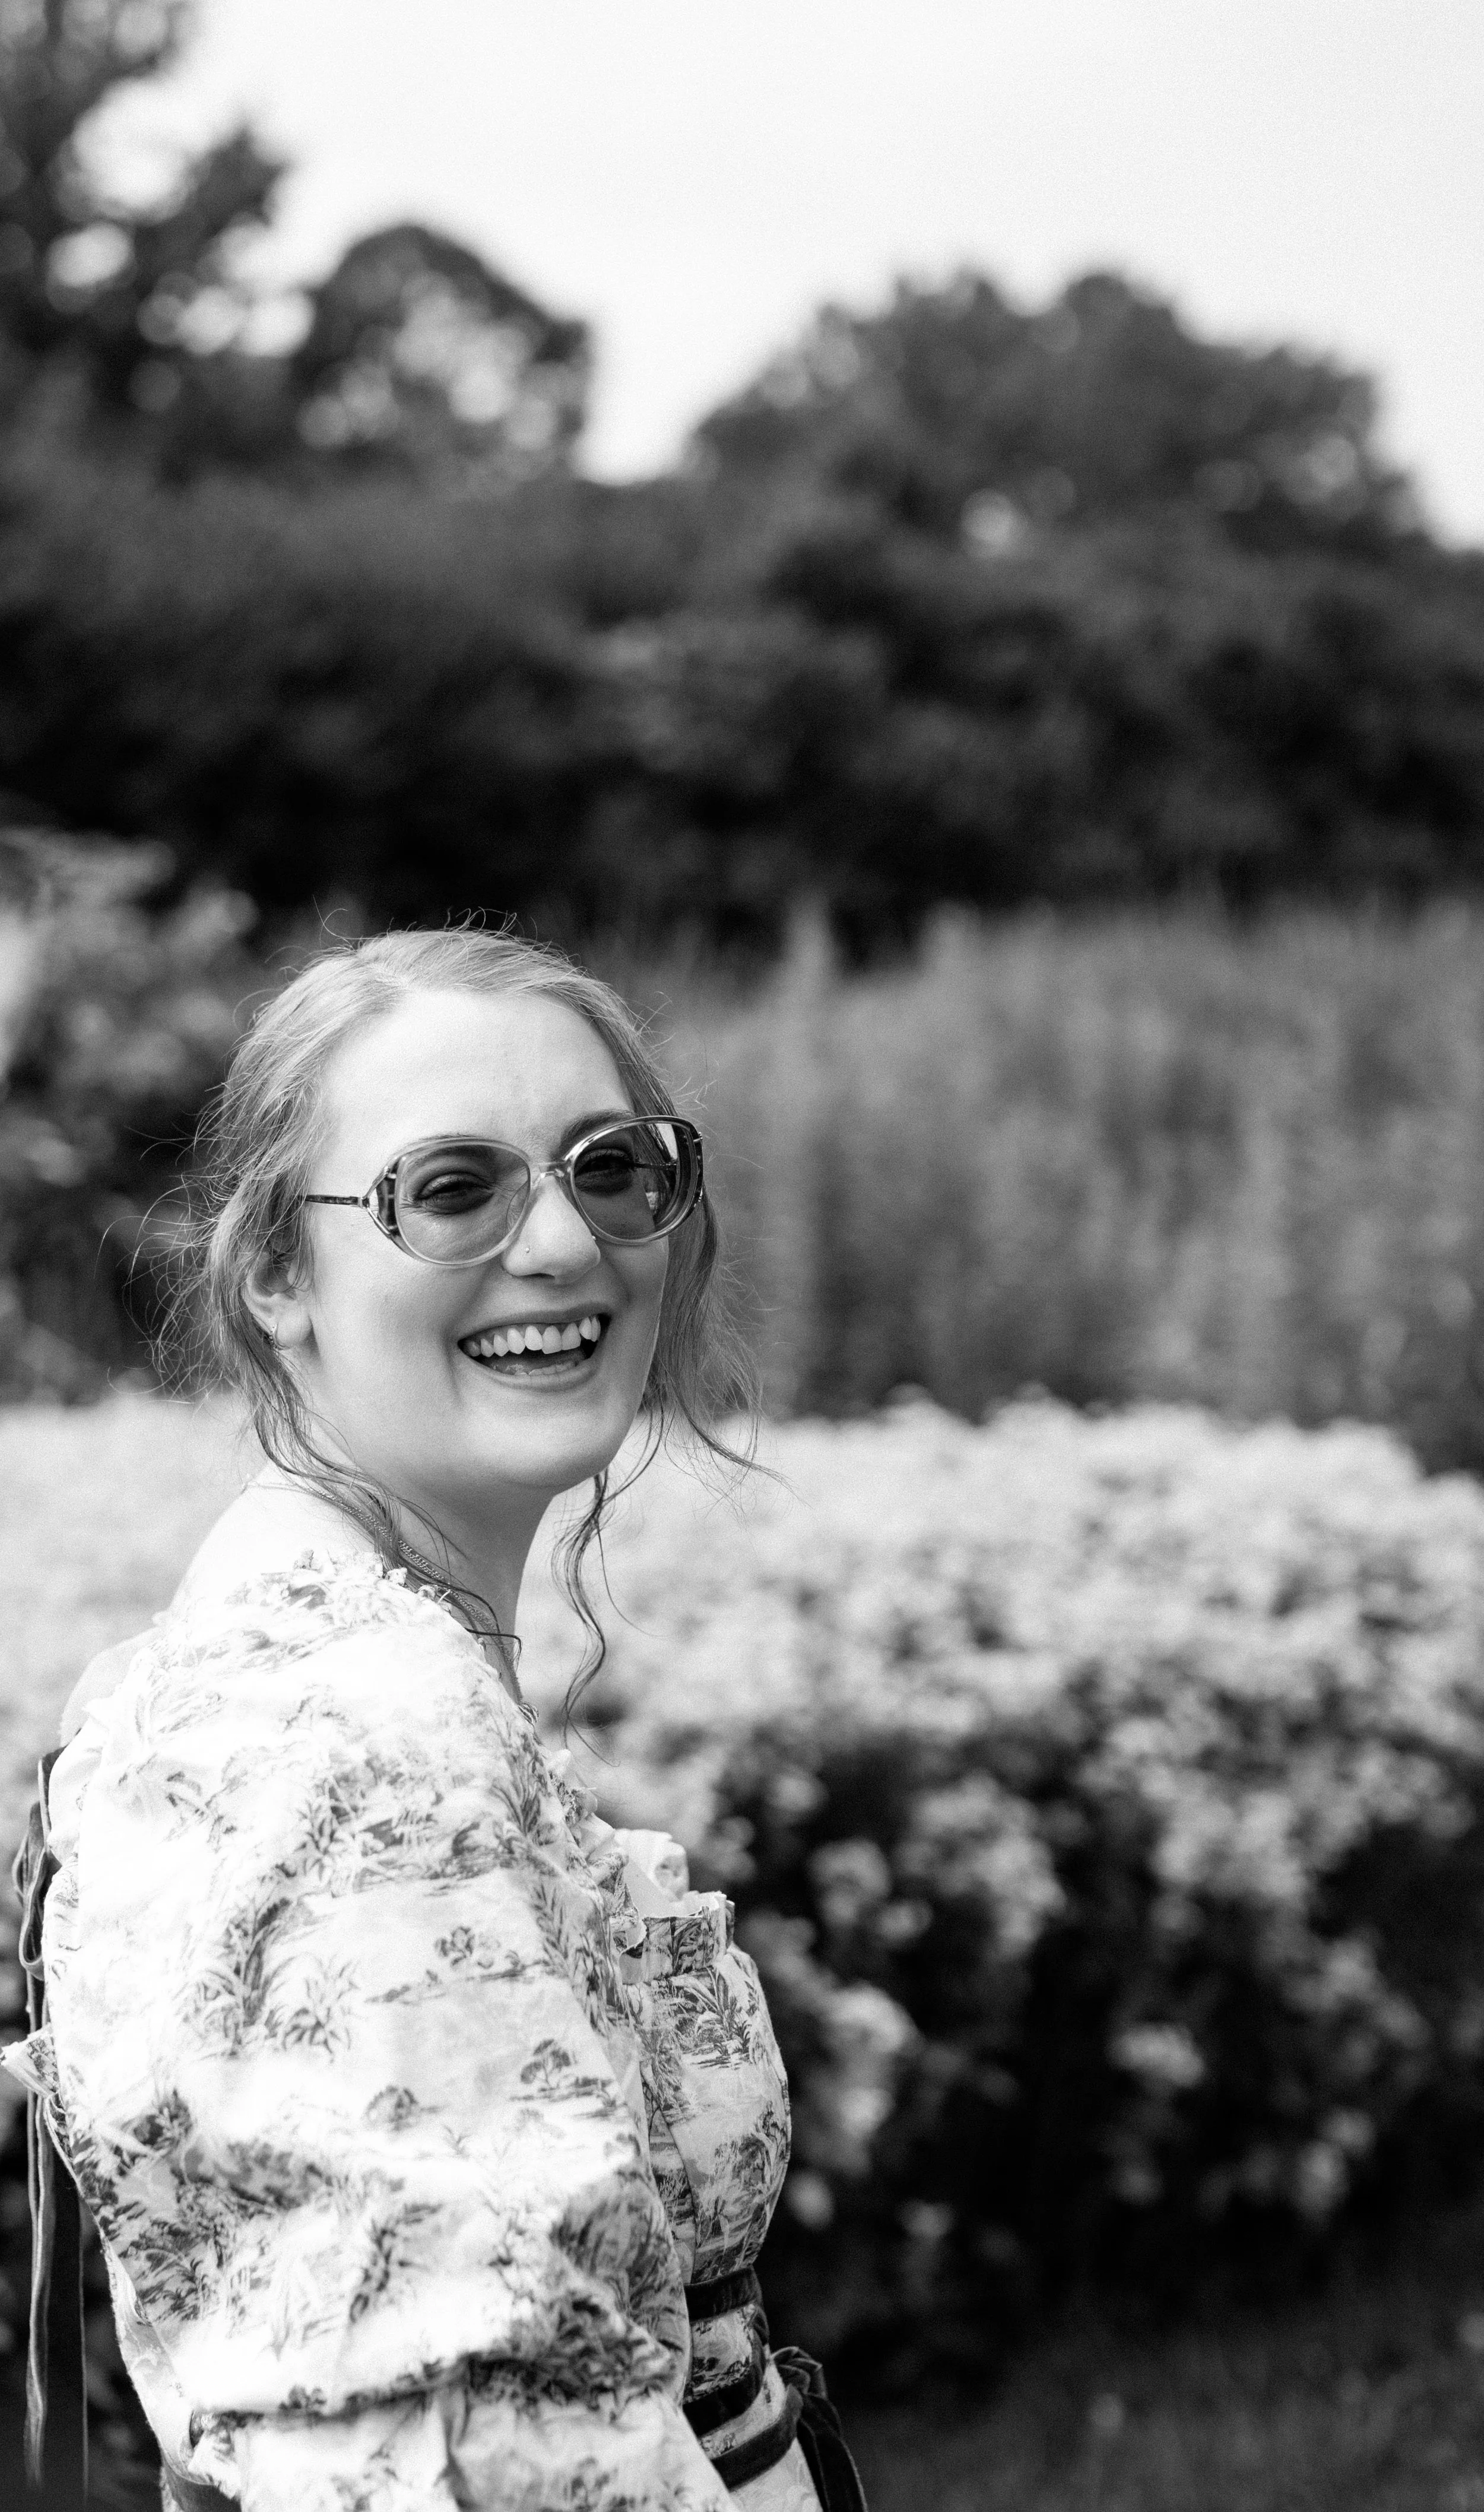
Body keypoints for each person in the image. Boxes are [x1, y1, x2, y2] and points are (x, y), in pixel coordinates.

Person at [4, 929, 865, 2511]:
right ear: (276, 1275)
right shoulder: (353, 1748)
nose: (565, 1241)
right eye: (454, 1188)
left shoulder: (316, 1650)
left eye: (614, 1168)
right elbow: (488, 2458)